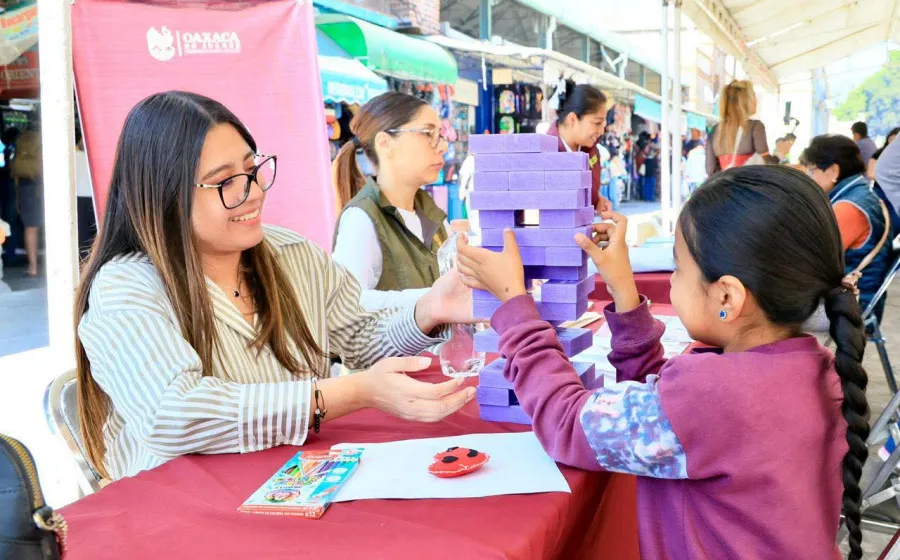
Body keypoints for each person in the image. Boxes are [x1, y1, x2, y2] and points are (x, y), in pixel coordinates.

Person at [456, 165, 869, 560]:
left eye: (678, 267)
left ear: (727, 296)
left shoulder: (715, 395)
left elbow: (566, 423)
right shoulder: (818, 369)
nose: (671, 280)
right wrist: (623, 288)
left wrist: (515, 306)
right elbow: (664, 419)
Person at [75, 91, 477, 481]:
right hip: (181, 511)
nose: (251, 193)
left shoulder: (292, 254)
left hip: (290, 485)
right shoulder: (126, 287)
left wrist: (432, 308)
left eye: (252, 169)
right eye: (224, 183)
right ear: (164, 194)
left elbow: (360, 336)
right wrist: (344, 395)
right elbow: (174, 414)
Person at [331, 92, 450, 311]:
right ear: (385, 143)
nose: (442, 146)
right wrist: (437, 299)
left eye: (440, 135)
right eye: (428, 133)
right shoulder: (361, 220)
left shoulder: (433, 216)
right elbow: (347, 305)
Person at [802, 135, 891, 321]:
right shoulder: (860, 193)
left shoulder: (849, 207)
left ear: (834, 170)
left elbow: (812, 260)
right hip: (855, 298)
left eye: (812, 170)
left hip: (850, 307)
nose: (809, 177)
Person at [545, 80, 613, 213]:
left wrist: (596, 199)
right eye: (597, 123)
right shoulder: (546, 155)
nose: (601, 131)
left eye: (603, 125)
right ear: (572, 120)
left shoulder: (590, 148)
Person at [706, 80, 770, 176]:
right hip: (748, 187)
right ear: (746, 100)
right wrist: (780, 153)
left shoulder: (715, 130)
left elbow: (710, 169)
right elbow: (768, 164)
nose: (756, 99)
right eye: (753, 95)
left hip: (725, 188)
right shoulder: (755, 127)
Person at [11, 128, 42, 276]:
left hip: (25, 191)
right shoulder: (40, 157)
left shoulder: (18, 161)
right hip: (38, 189)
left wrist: (17, 201)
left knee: (30, 228)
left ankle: (33, 267)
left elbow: (15, 181)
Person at [74, 127, 97, 260]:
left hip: (78, 197)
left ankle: (83, 260)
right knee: (94, 232)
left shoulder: (72, 155)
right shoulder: (95, 155)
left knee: (82, 233)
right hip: (94, 198)